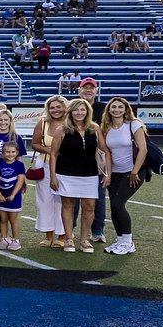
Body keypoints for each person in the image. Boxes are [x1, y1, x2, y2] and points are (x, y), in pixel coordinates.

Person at [50, 98, 106, 254]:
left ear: (88, 111)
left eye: (82, 109)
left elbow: (104, 150)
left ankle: (84, 239)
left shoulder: (94, 129)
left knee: (89, 206)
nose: (79, 113)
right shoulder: (62, 130)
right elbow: (53, 154)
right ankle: (69, 238)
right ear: (70, 112)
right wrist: (53, 177)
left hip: (90, 174)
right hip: (66, 173)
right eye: (76, 110)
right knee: (68, 205)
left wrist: (107, 173)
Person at [99, 96, 147, 256]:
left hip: (134, 171)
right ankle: (121, 240)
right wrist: (109, 174)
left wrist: (134, 171)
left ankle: (128, 242)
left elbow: (143, 149)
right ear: (109, 109)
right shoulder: (106, 127)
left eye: (120, 107)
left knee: (118, 204)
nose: (117, 109)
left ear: (126, 109)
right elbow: (108, 153)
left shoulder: (134, 124)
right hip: (116, 172)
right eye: (114, 107)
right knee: (113, 206)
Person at [31, 95, 68, 248]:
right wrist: (50, 150)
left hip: (66, 167)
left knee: (63, 201)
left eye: (58, 107)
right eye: (52, 107)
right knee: (45, 201)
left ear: (65, 107)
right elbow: (34, 144)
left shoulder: (71, 123)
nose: (55, 110)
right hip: (44, 165)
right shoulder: (43, 122)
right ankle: (48, 235)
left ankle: (62, 236)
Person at [74, 78, 107, 242]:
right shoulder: (72, 107)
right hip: (73, 158)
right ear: (79, 90)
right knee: (71, 198)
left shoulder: (104, 108)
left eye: (91, 88)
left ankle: (97, 231)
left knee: (98, 198)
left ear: (96, 90)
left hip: (97, 158)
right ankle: (70, 230)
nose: (88, 90)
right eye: (85, 87)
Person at [0, 142, 26, 251]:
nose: (10, 154)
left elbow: (20, 181)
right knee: (3, 219)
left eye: (13, 152)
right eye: (7, 152)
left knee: (13, 219)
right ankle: (4, 238)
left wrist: (13, 195)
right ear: (3, 153)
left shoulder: (19, 165)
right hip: (1, 197)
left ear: (16, 153)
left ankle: (16, 240)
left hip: (14, 197)